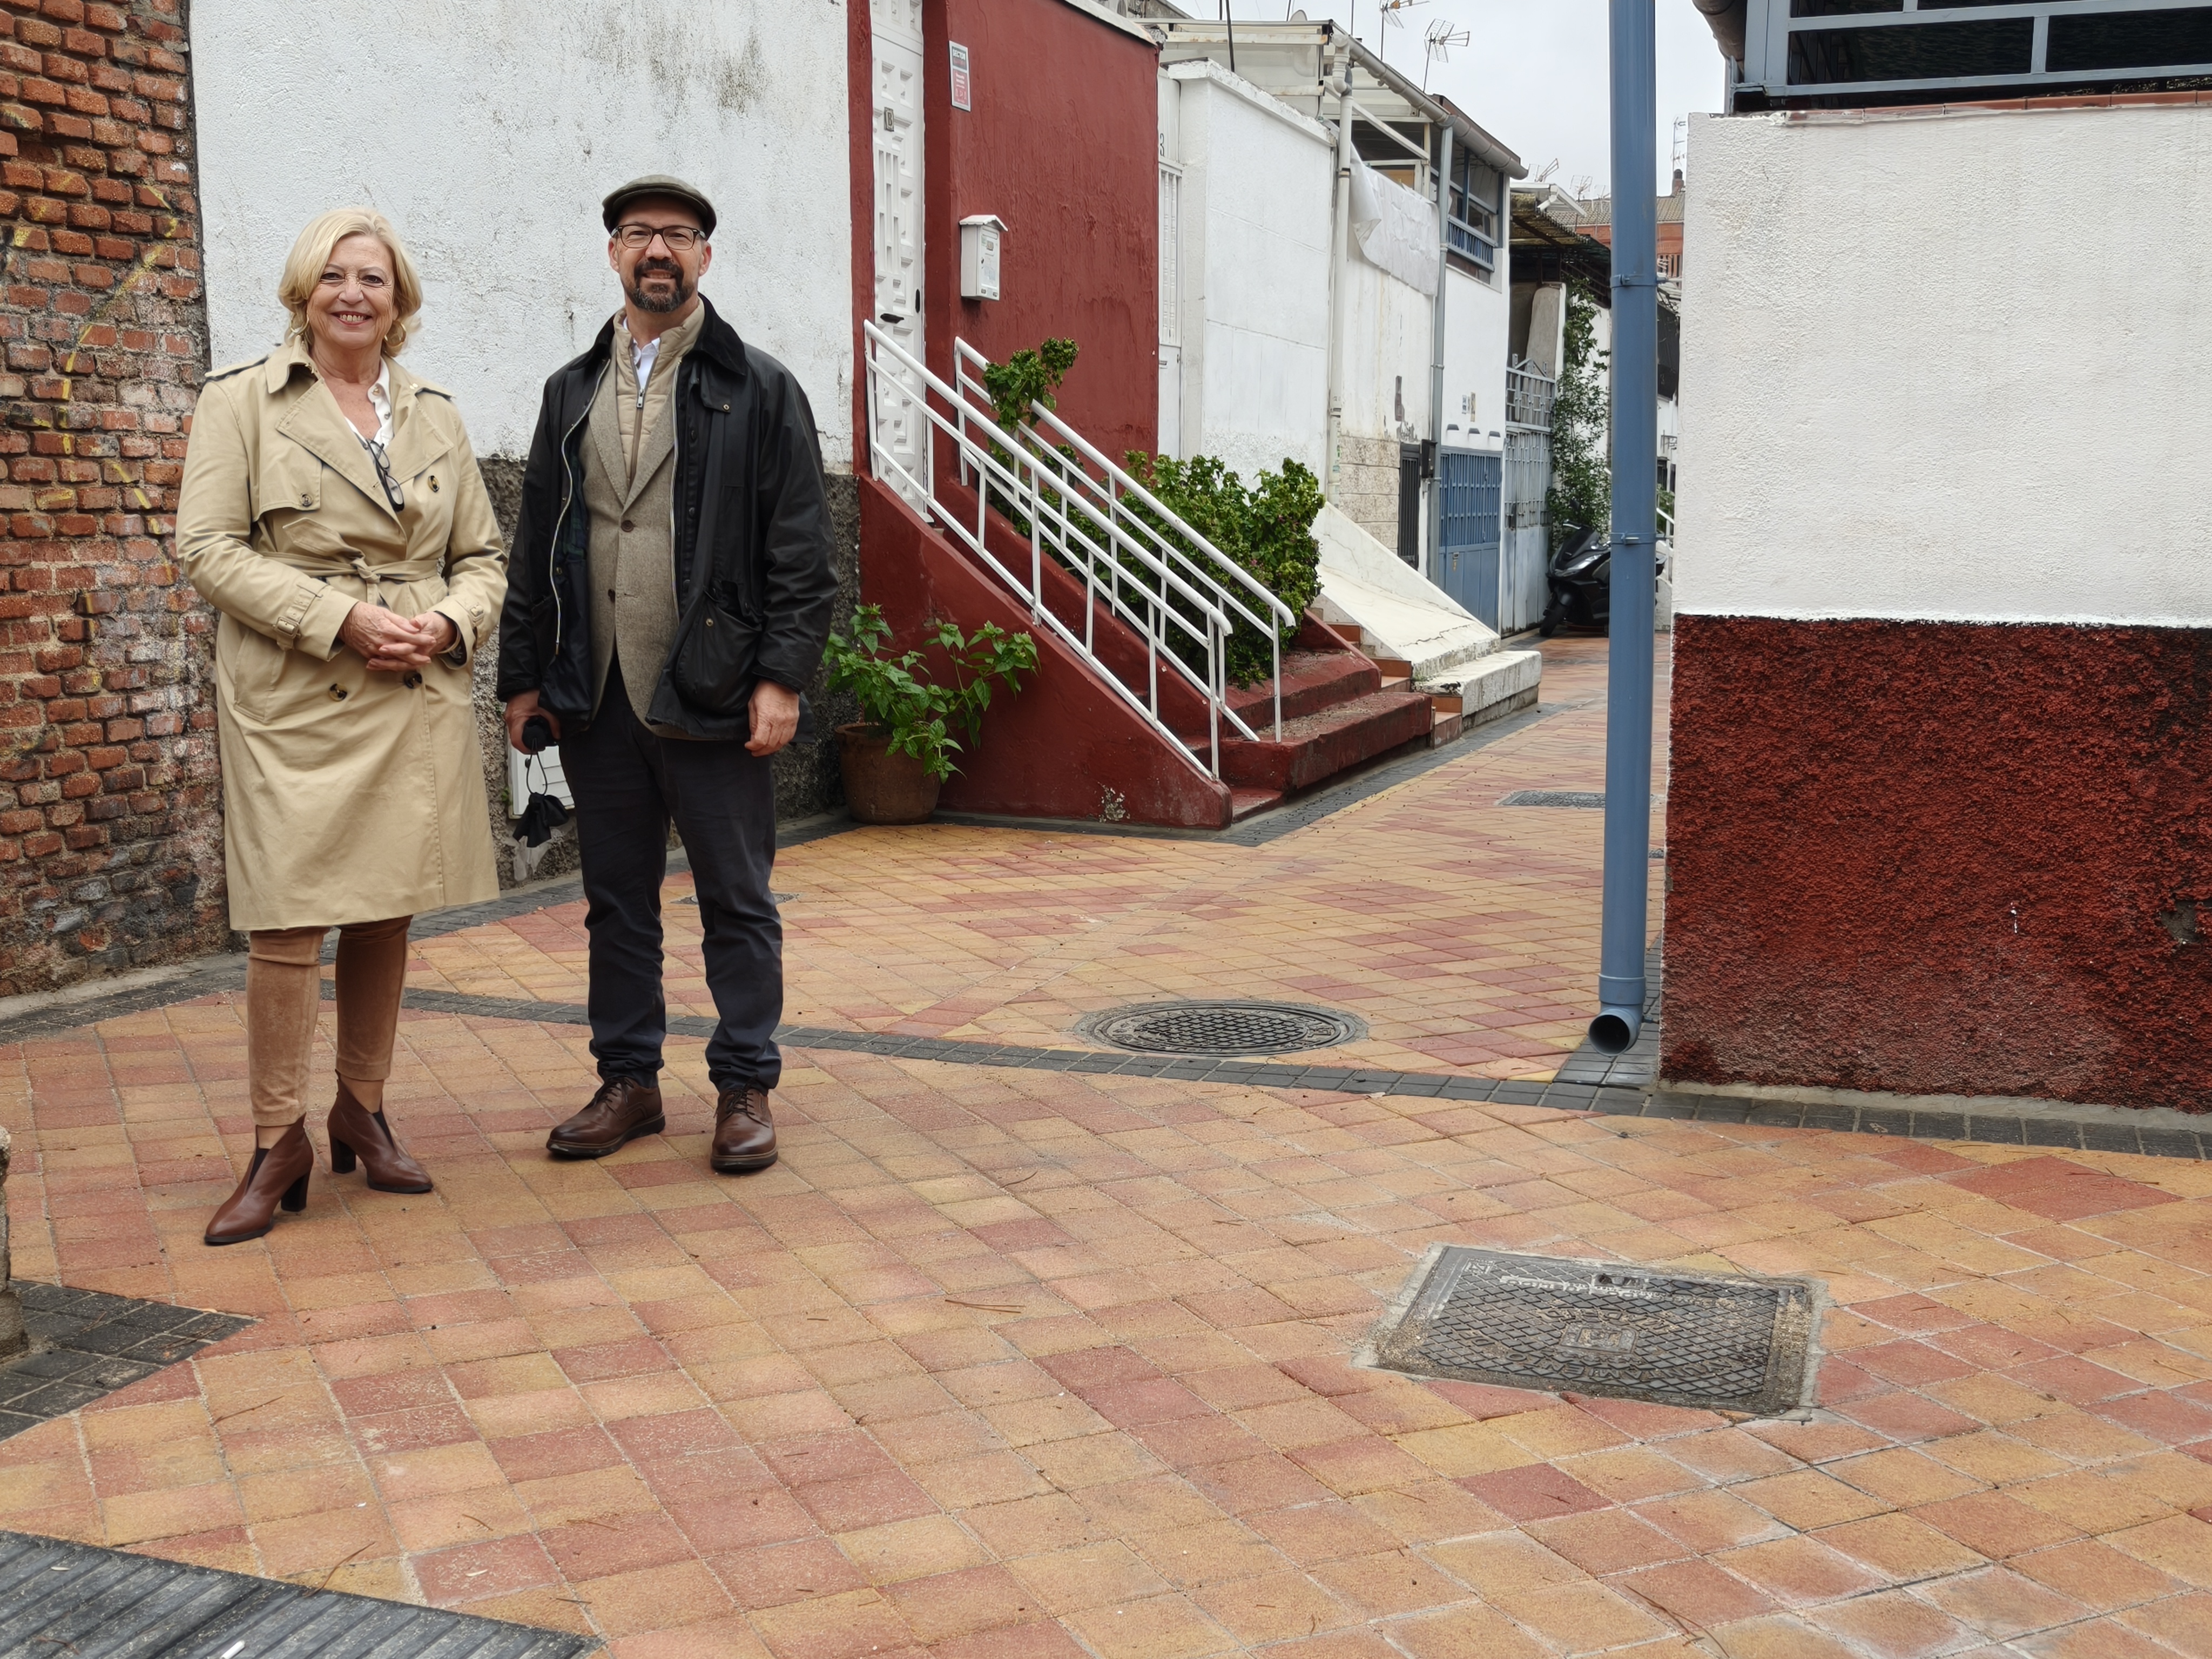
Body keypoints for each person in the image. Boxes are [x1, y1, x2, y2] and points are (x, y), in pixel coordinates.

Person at [496, 176, 838, 1175]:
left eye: (679, 236)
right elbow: (536, 544)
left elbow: (803, 553)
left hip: (715, 688)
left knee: (736, 895)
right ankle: (630, 1082)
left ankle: (743, 1084)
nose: (658, 250)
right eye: (639, 234)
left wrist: (781, 677)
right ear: (612, 254)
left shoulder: (758, 385)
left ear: (705, 259)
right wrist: (525, 676)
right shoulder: (571, 389)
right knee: (616, 900)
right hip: (595, 693)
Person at [178, 208, 507, 1245]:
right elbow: (208, 549)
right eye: (333, 278)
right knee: (285, 922)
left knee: (387, 907)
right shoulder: (242, 402)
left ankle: (361, 1109)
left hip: (412, 688)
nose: (352, 294)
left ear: (398, 299)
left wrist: (450, 621)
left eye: (372, 278)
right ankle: (278, 1140)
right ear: (303, 292)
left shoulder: (434, 412)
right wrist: (340, 618)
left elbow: (483, 556)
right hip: (297, 691)